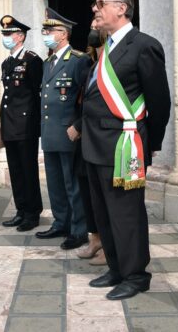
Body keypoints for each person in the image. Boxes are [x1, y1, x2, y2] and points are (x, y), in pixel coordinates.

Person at [83, 0, 171, 301]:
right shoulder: (106, 48)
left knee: (126, 213)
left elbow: (160, 102)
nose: (95, 8)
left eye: (100, 3)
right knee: (104, 212)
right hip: (95, 145)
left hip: (124, 146)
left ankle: (136, 275)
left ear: (122, 8)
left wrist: (149, 145)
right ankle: (117, 267)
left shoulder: (144, 45)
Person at [35, 8, 92, 250]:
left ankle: (79, 230)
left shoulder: (79, 61)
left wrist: (78, 126)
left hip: (69, 133)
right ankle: (61, 223)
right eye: (45, 30)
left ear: (64, 34)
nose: (46, 34)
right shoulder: (48, 62)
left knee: (72, 184)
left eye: (50, 31)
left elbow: (88, 97)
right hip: (49, 132)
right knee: (55, 183)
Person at [0, 15, 44, 232]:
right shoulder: (7, 62)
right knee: (16, 170)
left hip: (25, 125)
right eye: (4, 34)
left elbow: (36, 95)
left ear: (20, 36)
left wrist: (34, 123)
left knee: (28, 170)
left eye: (9, 34)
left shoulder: (32, 60)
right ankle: (21, 210)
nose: (5, 37)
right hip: (10, 125)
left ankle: (32, 213)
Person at [75, 17, 105, 265]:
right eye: (92, 24)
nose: (93, 27)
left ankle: (109, 245)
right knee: (87, 190)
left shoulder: (113, 60)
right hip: (84, 137)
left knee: (106, 196)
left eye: (98, 23)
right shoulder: (87, 63)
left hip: (102, 136)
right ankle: (95, 238)